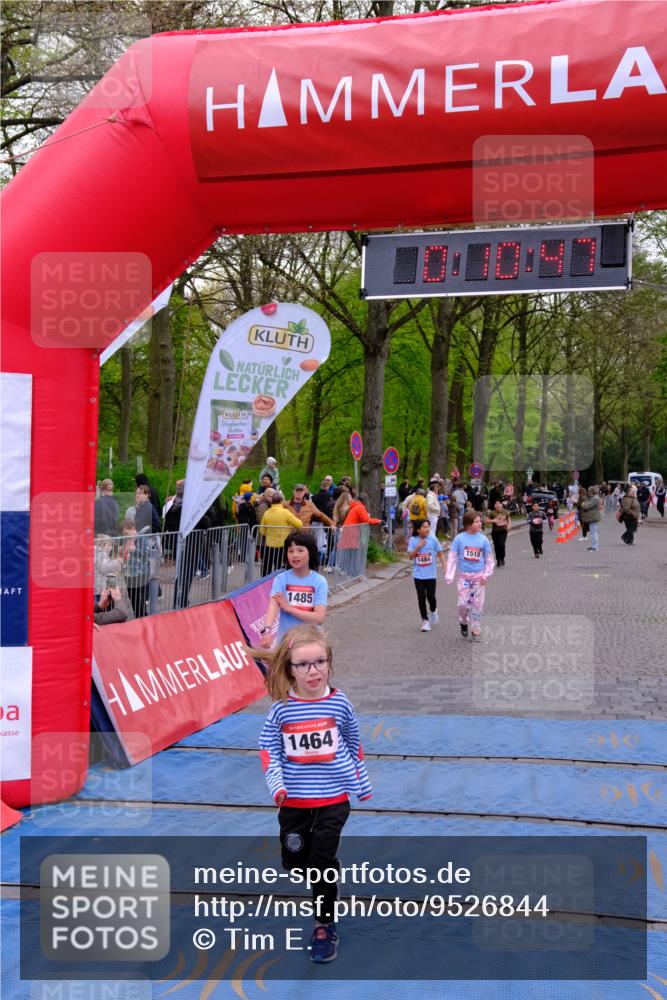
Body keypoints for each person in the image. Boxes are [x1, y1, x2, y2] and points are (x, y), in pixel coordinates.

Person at [257, 624, 371, 964]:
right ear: (290, 669)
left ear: (329, 663)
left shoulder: (339, 703)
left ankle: (324, 925)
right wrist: (277, 785)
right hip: (294, 801)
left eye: (320, 662)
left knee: (322, 863)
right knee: (295, 863)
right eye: (304, 664)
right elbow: (268, 751)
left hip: (333, 798)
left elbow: (353, 742)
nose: (313, 671)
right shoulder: (282, 710)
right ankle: (321, 873)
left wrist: (360, 782)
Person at [259, 532, 328, 649]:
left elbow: (319, 618)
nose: (295, 555)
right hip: (285, 642)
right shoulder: (281, 579)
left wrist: (289, 609)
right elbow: (273, 606)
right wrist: (267, 630)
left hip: (310, 643)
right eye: (290, 551)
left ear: (310, 552)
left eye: (300, 550)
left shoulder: (320, 581)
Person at [446, 510, 494, 641]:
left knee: (477, 604)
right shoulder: (459, 539)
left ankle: (476, 628)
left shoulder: (483, 539)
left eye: (480, 521)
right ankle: (463, 621)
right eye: (476, 521)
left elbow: (489, 560)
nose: (480, 523)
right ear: (468, 524)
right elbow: (452, 557)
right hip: (464, 578)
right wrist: (449, 575)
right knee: (462, 605)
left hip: (479, 578)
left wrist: (486, 575)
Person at [407, 519, 447, 632]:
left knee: (431, 597)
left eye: (428, 527)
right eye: (424, 527)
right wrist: (418, 547)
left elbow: (440, 553)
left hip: (431, 575)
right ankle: (425, 621)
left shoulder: (433, 539)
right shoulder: (413, 540)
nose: (427, 529)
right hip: (418, 575)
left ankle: (433, 610)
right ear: (418, 530)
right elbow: (410, 557)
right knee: (421, 597)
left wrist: (445, 567)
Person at [338, 491, 380, 577]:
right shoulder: (360, 507)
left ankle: (348, 572)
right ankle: (354, 574)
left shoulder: (354, 507)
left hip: (348, 531)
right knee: (355, 554)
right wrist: (377, 521)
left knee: (350, 554)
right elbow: (366, 520)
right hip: (352, 532)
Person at [259, 492, 302, 576]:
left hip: (269, 545)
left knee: (266, 567)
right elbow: (299, 524)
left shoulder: (267, 513)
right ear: (281, 501)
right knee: (280, 568)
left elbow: (262, 531)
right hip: (282, 545)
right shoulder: (286, 512)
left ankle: (265, 582)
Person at [120, 520, 150, 619]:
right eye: (123, 534)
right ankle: (138, 615)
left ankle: (141, 616)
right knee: (132, 597)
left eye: (126, 533)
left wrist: (135, 550)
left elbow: (147, 554)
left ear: (133, 529)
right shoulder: (126, 540)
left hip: (139, 573)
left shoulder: (142, 539)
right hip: (128, 573)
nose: (124, 536)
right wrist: (121, 551)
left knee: (139, 597)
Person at [488, 500, 510, 566]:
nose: (497, 505)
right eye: (496, 504)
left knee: (501, 544)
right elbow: (486, 520)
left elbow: (508, 519)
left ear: (501, 505)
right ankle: (498, 559)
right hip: (495, 532)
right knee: (496, 546)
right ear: (494, 506)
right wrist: (493, 520)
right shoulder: (492, 513)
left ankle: (502, 557)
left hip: (503, 531)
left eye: (499, 503)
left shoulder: (505, 512)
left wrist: (509, 526)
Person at [580, 486, 601, 551]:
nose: (588, 492)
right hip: (592, 516)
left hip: (593, 517)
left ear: (591, 491)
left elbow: (587, 506)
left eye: (589, 491)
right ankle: (594, 546)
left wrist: (583, 503)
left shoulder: (595, 498)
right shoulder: (594, 497)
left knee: (593, 532)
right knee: (593, 532)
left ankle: (595, 546)